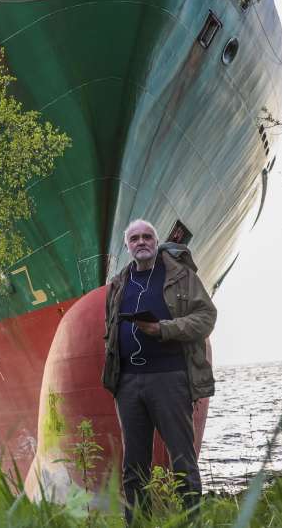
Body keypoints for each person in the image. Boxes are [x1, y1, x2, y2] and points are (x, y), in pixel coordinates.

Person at [101, 218, 216, 518]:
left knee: (182, 459)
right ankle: (137, 524)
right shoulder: (117, 284)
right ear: (126, 246)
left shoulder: (180, 275)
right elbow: (109, 328)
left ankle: (192, 522)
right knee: (133, 466)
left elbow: (206, 316)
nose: (142, 242)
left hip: (170, 379)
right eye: (135, 238)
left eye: (147, 237)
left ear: (156, 241)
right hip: (128, 383)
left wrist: (164, 329)